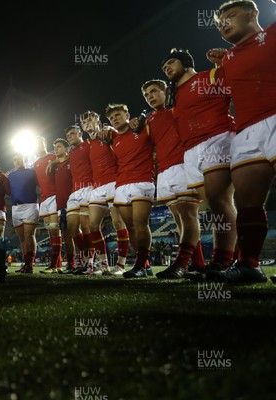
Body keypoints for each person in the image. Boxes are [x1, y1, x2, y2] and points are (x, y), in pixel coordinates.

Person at [203, 0, 275, 283]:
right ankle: (249, 265)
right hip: (246, 131)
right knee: (246, 201)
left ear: (253, 12)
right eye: (219, 22)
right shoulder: (227, 60)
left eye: (230, 16)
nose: (223, 24)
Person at [161, 48, 237, 280]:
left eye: (171, 63)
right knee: (212, 206)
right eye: (164, 68)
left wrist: (226, 63)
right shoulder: (175, 96)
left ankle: (223, 260)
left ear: (186, 62)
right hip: (191, 150)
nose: (167, 69)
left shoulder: (210, 76)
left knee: (219, 200)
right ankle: (228, 259)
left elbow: (241, 87)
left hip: (217, 137)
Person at [136, 80, 205, 279]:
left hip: (183, 164)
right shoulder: (149, 120)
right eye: (146, 94)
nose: (150, 96)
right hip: (164, 172)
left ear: (166, 91)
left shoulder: (178, 107)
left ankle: (181, 263)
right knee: (179, 220)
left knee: (188, 215)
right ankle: (198, 263)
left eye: (154, 91)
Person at [104, 103, 155, 278]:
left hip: (143, 181)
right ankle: (144, 265)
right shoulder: (113, 140)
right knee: (131, 227)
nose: (114, 119)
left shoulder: (143, 128)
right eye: (111, 118)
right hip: (122, 185)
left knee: (141, 224)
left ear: (127, 115)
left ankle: (140, 264)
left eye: (118, 115)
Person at [80, 111, 130, 275]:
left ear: (98, 121)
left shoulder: (108, 133)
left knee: (118, 223)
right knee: (93, 225)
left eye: (90, 120)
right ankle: (103, 265)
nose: (87, 124)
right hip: (97, 187)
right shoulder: (87, 143)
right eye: (84, 122)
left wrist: (109, 128)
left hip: (114, 182)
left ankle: (121, 266)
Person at [64, 125, 95, 273]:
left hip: (88, 187)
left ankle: (90, 261)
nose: (69, 136)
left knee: (86, 225)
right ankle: (81, 259)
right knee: (72, 227)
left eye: (72, 133)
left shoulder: (89, 144)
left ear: (80, 133)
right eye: (68, 135)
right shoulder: (71, 152)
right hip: (74, 192)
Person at [33, 136, 62, 272]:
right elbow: (38, 182)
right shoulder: (36, 163)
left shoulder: (53, 156)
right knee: (51, 232)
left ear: (45, 144)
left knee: (55, 230)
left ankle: (53, 265)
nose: (38, 146)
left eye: (39, 143)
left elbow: (66, 158)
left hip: (55, 196)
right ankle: (58, 263)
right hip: (44, 199)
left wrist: (55, 161)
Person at [46, 139, 74, 273]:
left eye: (59, 146)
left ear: (66, 148)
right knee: (67, 235)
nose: (56, 149)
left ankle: (85, 262)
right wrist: (54, 162)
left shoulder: (72, 161)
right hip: (61, 205)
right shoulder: (55, 167)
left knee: (76, 233)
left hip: (74, 202)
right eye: (55, 147)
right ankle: (71, 264)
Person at [8, 154, 39, 273]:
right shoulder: (10, 175)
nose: (17, 161)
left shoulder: (32, 172)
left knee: (29, 235)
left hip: (30, 205)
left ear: (25, 159)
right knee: (22, 238)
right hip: (16, 208)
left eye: (20, 158)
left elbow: (42, 183)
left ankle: (30, 264)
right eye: (15, 159)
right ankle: (26, 264)